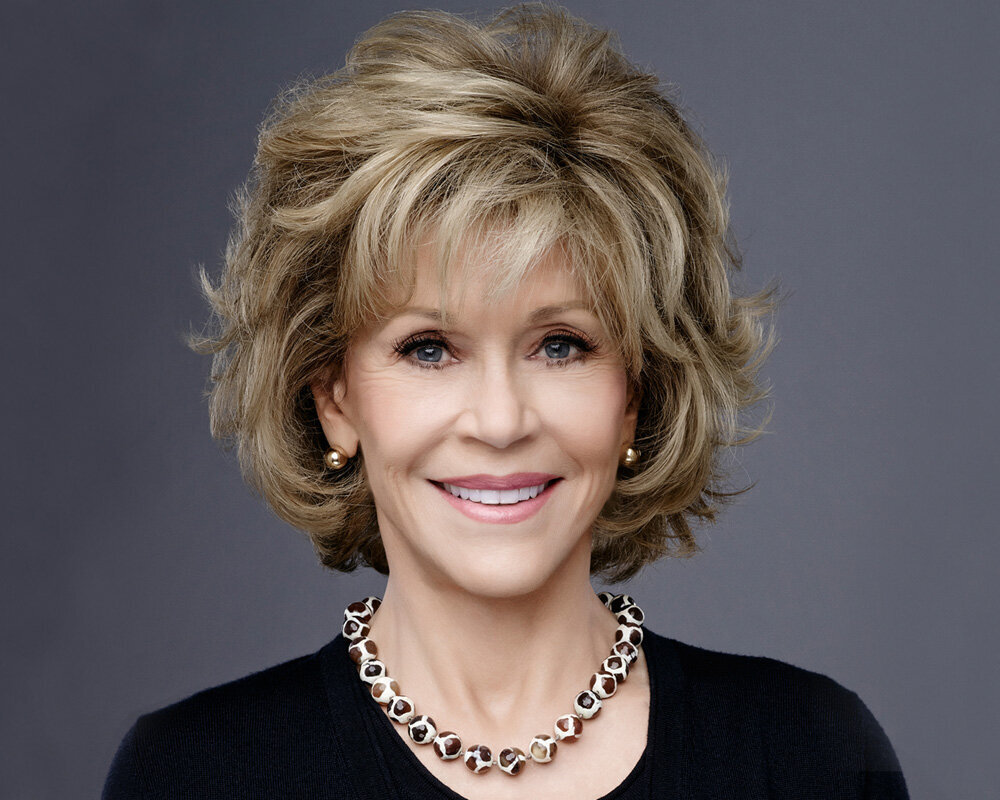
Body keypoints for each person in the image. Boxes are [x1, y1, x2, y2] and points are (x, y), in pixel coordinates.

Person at [103, 4, 908, 798]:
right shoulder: (191, 776)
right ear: (334, 399)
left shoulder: (813, 759)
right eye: (428, 348)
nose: (500, 421)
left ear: (637, 392)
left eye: (561, 345)